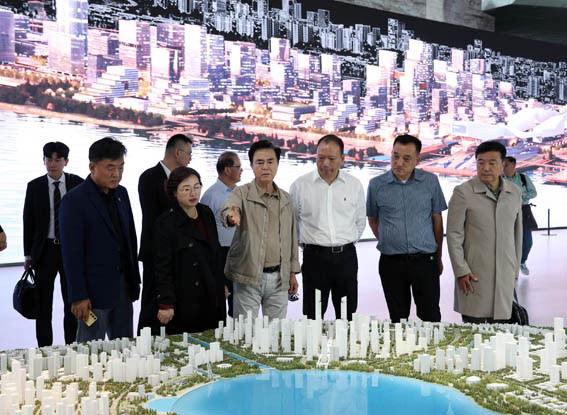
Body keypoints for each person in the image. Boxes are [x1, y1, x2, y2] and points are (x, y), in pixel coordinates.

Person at [60, 137, 140, 341]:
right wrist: (78, 296)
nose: (117, 174)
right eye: (110, 168)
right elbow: (71, 253)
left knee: (124, 348)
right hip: (92, 293)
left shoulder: (122, 194)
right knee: (89, 351)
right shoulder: (74, 200)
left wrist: (134, 281)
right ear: (92, 167)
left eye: (121, 168)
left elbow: (129, 239)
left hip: (122, 288)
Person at [366, 134, 446, 323]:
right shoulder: (376, 185)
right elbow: (373, 219)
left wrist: (438, 257)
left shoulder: (430, 182)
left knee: (431, 316)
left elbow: (437, 221)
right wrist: (390, 240)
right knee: (398, 318)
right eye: (395, 156)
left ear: (417, 160)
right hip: (391, 262)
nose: (399, 163)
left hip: (425, 261)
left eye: (406, 158)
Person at [220, 140, 300, 320]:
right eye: (260, 162)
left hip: (280, 278)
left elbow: (292, 238)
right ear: (251, 165)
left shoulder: (286, 199)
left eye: (270, 161)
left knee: (276, 331)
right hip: (248, 277)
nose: (265, 167)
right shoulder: (241, 193)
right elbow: (229, 208)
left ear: (277, 164)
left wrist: (292, 273)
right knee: (245, 331)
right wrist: (231, 216)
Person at [290, 135, 365, 321]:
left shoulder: (354, 185)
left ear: (342, 159)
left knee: (347, 315)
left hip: (346, 258)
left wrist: (344, 242)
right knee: (313, 315)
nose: (325, 163)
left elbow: (359, 222)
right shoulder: (300, 186)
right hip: (314, 259)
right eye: (320, 157)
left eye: (331, 158)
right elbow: (293, 225)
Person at [447, 141, 522, 323]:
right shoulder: (463, 192)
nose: (486, 168)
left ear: (502, 164)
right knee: (475, 330)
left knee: (504, 332)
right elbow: (454, 235)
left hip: (505, 273)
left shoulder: (514, 192)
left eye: (492, 162)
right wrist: (461, 270)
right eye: (481, 162)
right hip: (474, 274)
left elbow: (517, 234)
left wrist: (514, 270)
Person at [23, 142, 83, 347]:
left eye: (58, 160)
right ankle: (44, 348)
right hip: (44, 251)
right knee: (43, 304)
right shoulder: (34, 186)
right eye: (49, 159)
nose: (53, 164)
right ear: (44, 160)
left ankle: (71, 344)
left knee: (72, 300)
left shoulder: (78, 183)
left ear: (66, 162)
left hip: (71, 250)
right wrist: (28, 255)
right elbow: (28, 222)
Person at [154, 167, 226, 334]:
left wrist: (222, 284)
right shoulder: (165, 223)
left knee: (214, 339)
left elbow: (215, 253)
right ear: (174, 192)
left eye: (197, 187)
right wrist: (166, 302)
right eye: (186, 189)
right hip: (184, 294)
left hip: (210, 290)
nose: (193, 193)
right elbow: (162, 267)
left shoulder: (206, 213)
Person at [137, 133, 192, 334]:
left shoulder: (184, 179)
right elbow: (154, 218)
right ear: (177, 153)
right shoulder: (150, 177)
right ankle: (146, 340)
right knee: (152, 303)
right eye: (189, 154)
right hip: (155, 251)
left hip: (178, 252)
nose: (190, 159)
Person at [200, 151, 243, 317]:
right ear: (227, 170)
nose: (241, 170)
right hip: (220, 255)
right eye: (238, 166)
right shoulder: (211, 195)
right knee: (218, 302)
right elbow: (203, 230)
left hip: (239, 253)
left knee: (239, 304)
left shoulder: (241, 193)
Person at [503, 156, 537, 275]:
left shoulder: (523, 178)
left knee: (527, 241)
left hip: (523, 211)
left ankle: (522, 261)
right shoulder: (499, 179)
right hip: (506, 212)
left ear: (514, 165)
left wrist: (521, 195)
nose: (503, 168)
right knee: (507, 241)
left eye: (506, 165)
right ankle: (509, 266)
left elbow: (533, 193)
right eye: (502, 165)